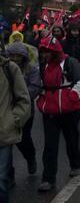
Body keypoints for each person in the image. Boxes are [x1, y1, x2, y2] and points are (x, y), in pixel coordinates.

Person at [36, 36, 80, 192]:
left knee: (71, 139)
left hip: (69, 110)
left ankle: (76, 164)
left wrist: (72, 97)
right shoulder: (43, 65)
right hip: (50, 111)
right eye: (43, 52)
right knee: (50, 145)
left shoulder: (70, 63)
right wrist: (40, 99)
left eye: (48, 52)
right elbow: (38, 84)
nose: (45, 55)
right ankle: (48, 178)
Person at [0, 47, 32, 203]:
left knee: (0, 184)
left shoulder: (9, 69)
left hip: (2, 136)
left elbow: (23, 100)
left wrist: (13, 121)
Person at [5, 42, 41, 177]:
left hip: (25, 110)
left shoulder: (31, 69)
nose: (15, 58)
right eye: (12, 55)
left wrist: (21, 96)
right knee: (6, 144)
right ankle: (9, 175)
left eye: (18, 56)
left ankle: (30, 157)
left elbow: (35, 87)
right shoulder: (5, 69)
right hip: (6, 110)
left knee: (23, 139)